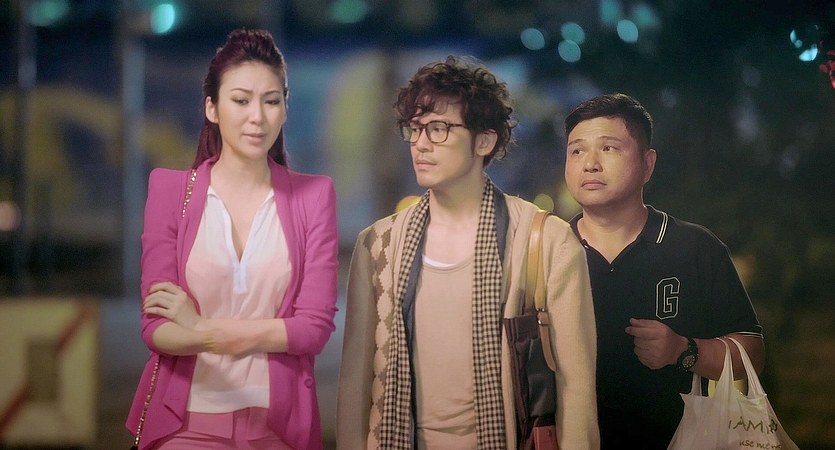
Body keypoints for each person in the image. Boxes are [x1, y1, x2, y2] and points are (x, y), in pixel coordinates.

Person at [336, 55, 599, 449]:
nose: (421, 143)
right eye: (415, 129)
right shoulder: (378, 244)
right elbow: (355, 385)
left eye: (439, 128)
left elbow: (576, 388)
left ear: (484, 140)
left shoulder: (547, 241)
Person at [125, 29, 338, 450]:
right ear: (212, 108)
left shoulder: (314, 196)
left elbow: (312, 330)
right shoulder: (170, 191)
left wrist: (201, 329)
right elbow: (157, 328)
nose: (257, 116)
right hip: (185, 425)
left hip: (278, 427)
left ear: (285, 109)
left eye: (271, 101)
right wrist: (265, 332)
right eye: (241, 100)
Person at [563, 93, 764, 448]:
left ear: (647, 164)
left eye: (608, 148)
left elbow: (752, 353)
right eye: (577, 151)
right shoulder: (550, 251)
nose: (590, 164)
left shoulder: (694, 247)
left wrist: (683, 351)